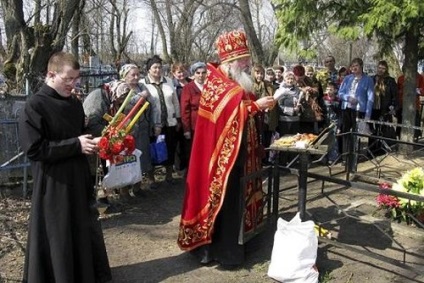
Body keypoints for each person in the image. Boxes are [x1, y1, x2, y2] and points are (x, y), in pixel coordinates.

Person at [177, 30, 275, 268]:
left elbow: (241, 106)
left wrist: (258, 107)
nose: (247, 63)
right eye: (243, 60)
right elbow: (225, 119)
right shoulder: (217, 83)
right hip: (222, 159)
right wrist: (254, 107)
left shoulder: (236, 81)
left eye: (247, 59)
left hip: (243, 154)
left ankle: (245, 241)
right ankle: (223, 251)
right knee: (227, 203)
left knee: (241, 200)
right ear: (230, 61)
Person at [18, 51, 111, 283]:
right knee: (58, 235)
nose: (73, 84)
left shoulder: (74, 104)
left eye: (76, 79)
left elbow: (78, 138)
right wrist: (76, 145)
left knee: (80, 230)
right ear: (51, 74)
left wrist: (93, 142)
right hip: (53, 183)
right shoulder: (34, 105)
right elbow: (35, 150)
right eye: (68, 79)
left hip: (78, 179)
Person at [119, 64, 161, 188]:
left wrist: (157, 124)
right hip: (127, 129)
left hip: (142, 127)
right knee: (127, 159)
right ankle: (125, 188)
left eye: (138, 74)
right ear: (125, 76)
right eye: (133, 75)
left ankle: (138, 186)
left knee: (141, 157)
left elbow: (153, 105)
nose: (137, 77)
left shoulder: (142, 86)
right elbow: (128, 102)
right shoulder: (121, 87)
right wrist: (142, 96)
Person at [141, 55, 181, 184]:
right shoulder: (143, 84)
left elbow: (175, 102)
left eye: (160, 67)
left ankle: (169, 176)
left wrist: (178, 119)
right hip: (153, 124)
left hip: (169, 122)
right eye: (154, 67)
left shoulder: (169, 81)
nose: (158, 70)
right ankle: (151, 178)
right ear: (148, 70)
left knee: (170, 148)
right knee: (153, 149)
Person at [338, 57, 374, 162]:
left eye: (356, 66)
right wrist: (347, 98)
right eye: (352, 66)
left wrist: (367, 115)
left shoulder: (368, 80)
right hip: (346, 109)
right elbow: (340, 93)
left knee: (357, 134)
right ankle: (345, 157)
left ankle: (356, 157)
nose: (354, 68)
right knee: (346, 133)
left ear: (361, 66)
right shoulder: (347, 78)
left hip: (359, 110)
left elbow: (370, 98)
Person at [180, 62, 207, 172]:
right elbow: (184, 109)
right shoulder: (188, 88)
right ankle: (194, 171)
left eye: (203, 73)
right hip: (194, 124)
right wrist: (186, 129)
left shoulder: (209, 86)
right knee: (194, 149)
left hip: (208, 123)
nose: (201, 75)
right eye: (198, 73)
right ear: (194, 74)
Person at [368, 60, 398, 156]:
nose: (381, 70)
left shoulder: (390, 80)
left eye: (383, 68)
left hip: (384, 109)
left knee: (383, 130)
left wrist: (392, 107)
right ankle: (371, 151)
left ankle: (381, 151)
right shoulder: (371, 79)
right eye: (379, 68)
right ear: (377, 68)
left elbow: (394, 96)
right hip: (373, 108)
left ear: (386, 69)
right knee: (372, 130)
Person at [251, 63, 279, 164]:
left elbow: (274, 97)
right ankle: (257, 160)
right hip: (254, 116)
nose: (260, 76)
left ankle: (267, 159)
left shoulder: (269, 86)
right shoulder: (249, 85)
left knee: (268, 137)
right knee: (257, 138)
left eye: (262, 73)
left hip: (268, 117)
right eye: (257, 73)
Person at [171, 62, 192, 172]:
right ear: (174, 73)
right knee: (179, 142)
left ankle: (190, 165)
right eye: (179, 72)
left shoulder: (191, 83)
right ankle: (179, 166)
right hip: (178, 117)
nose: (182, 74)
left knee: (189, 142)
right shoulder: (172, 85)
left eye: (183, 71)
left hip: (189, 117)